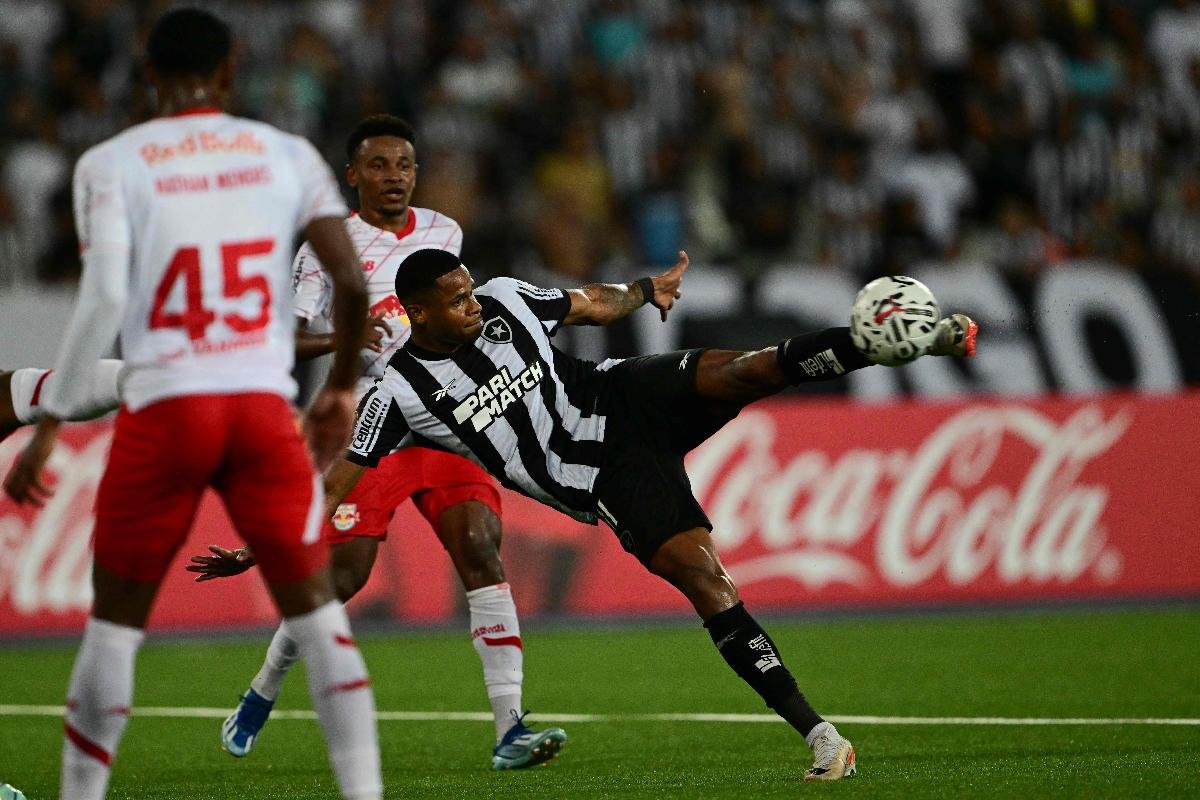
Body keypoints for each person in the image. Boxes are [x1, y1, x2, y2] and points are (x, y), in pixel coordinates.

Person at [313, 246, 978, 782]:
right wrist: (271, 542)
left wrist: (644, 291)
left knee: (749, 368)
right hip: (606, 475)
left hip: (624, 393)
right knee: (705, 579)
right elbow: (342, 476)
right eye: (456, 300)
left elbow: (590, 304)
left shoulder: (507, 300)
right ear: (418, 315)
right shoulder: (398, 393)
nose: (471, 304)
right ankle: (822, 736)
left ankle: (900, 341)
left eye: (469, 290)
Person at [1, 10, 382, 800]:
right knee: (318, 621)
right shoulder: (287, 155)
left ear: (147, 75)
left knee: (113, 628)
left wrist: (46, 425)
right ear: (232, 69)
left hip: (167, 408)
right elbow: (350, 283)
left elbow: (104, 293)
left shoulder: (112, 162)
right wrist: (341, 387)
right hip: (258, 409)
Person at [187, 114, 566, 770]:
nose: (395, 177)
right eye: (380, 166)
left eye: (405, 166)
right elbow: (285, 339)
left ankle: (510, 729)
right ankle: (260, 692)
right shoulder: (326, 247)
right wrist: (342, 337)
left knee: (480, 548)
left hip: (448, 420)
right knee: (342, 579)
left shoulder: (444, 233)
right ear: (353, 174)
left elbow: (464, 312)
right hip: (373, 425)